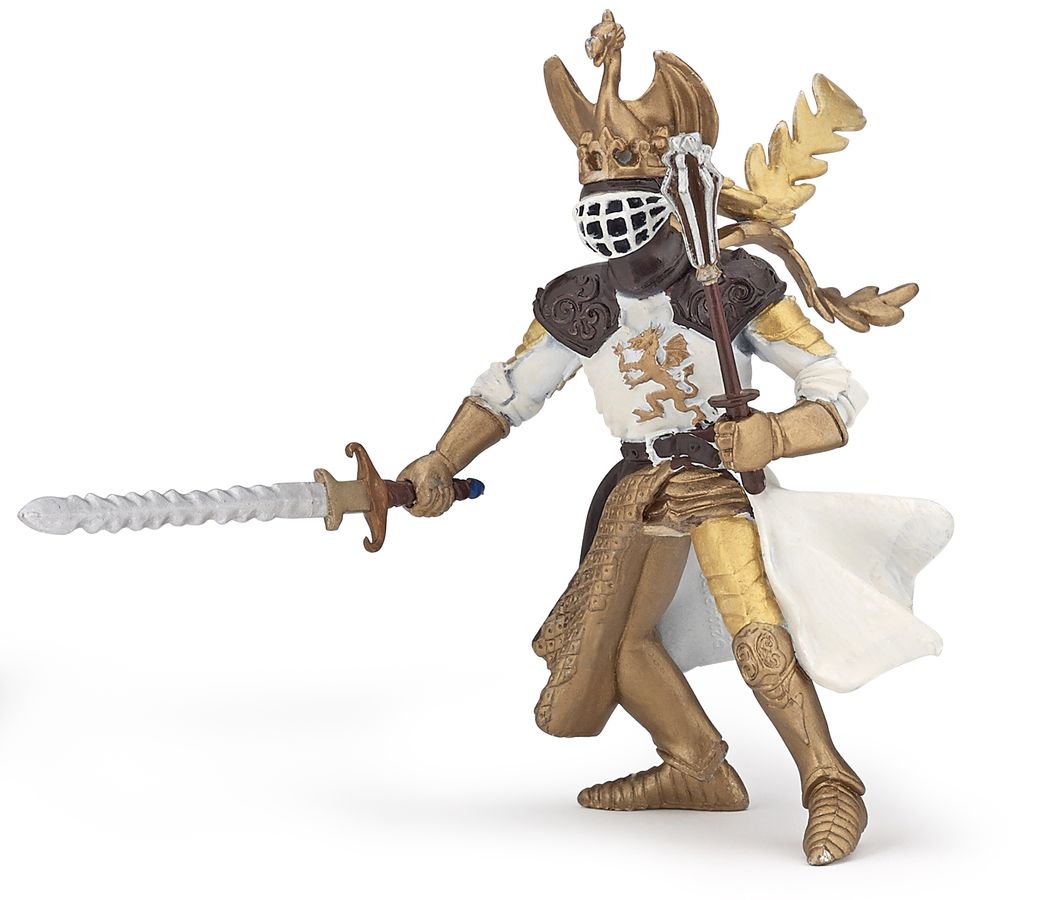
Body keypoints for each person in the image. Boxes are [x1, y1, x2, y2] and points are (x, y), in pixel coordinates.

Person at [398, 10, 951, 866]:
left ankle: (830, 782)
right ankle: (697, 765)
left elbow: (836, 391)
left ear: (672, 180)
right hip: (637, 491)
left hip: (715, 479)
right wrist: (441, 460)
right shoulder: (581, 299)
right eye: (592, 173)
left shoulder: (731, 285)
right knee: (615, 642)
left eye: (625, 171)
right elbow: (510, 391)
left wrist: (770, 435)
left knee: (756, 629)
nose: (606, 198)